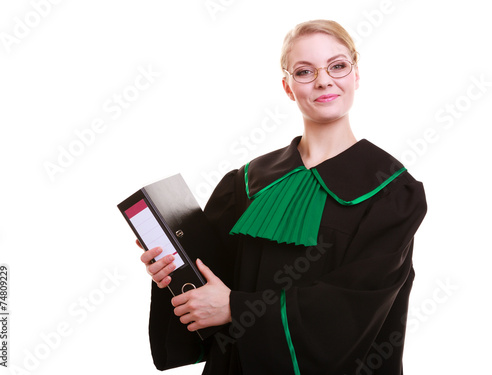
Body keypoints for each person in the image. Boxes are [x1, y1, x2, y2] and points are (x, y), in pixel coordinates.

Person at [139, 19, 427, 375]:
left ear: (356, 75)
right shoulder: (245, 182)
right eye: (304, 71)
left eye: (337, 65)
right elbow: (211, 279)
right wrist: (172, 273)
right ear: (288, 87)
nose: (324, 80)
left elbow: (356, 305)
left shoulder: (391, 191)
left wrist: (237, 308)